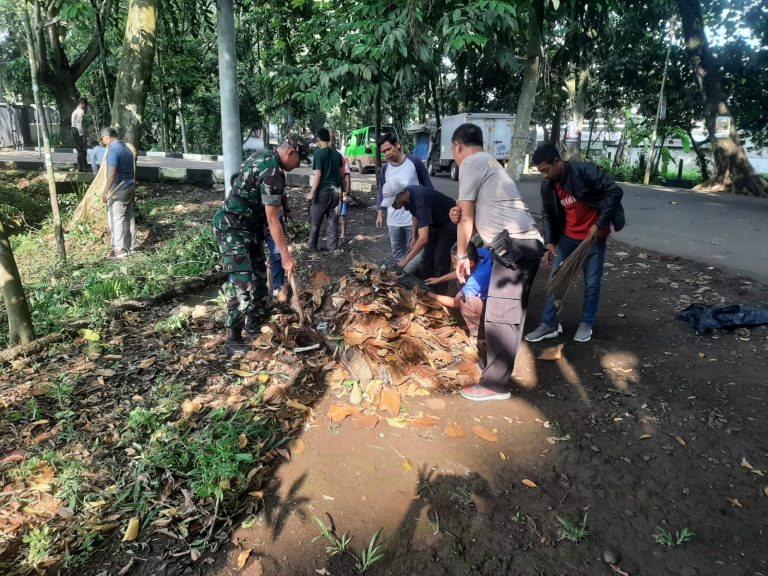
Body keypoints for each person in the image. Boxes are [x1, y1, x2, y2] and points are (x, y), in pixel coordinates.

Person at [450, 123, 544, 402]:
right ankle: (495, 372)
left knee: (500, 317)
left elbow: (467, 220)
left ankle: (494, 385)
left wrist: (462, 255)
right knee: (511, 315)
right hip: (526, 244)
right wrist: (464, 220)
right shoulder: (491, 164)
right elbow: (478, 221)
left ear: (457, 146)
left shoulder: (470, 163)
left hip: (514, 247)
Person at [212, 133, 309, 356]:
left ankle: (253, 325)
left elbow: (254, 187)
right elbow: (273, 219)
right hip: (232, 229)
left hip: (249, 229)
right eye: (300, 159)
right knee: (243, 282)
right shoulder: (273, 171)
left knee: (258, 278)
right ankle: (233, 338)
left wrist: (286, 207)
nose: (299, 164)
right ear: (290, 152)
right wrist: (285, 256)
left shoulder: (265, 156)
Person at [524, 144, 625, 344]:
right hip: (568, 238)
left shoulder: (584, 171)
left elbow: (615, 191)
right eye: (540, 171)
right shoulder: (548, 186)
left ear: (557, 162)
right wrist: (550, 242)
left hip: (593, 238)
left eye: (546, 169)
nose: (544, 174)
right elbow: (547, 213)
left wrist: (599, 224)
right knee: (556, 279)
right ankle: (548, 324)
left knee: (592, 283)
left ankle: (586, 324)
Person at [380, 183, 457, 287]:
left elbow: (424, 238)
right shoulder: (408, 195)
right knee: (426, 261)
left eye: (393, 202)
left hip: (449, 223)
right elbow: (416, 216)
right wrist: (414, 236)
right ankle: (424, 288)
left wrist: (404, 261)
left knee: (440, 261)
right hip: (434, 223)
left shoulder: (420, 199)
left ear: (401, 194)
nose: (392, 206)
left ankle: (438, 293)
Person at [421, 242, 492, 344]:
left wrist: (428, 294)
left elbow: (455, 302)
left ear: (470, 263)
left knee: (465, 301)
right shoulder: (480, 253)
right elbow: (462, 270)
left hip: (494, 305)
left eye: (456, 263)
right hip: (493, 290)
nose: (454, 267)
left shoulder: (476, 281)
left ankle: (480, 336)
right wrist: (439, 279)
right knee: (461, 280)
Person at [376, 132, 433, 261]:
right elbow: (382, 191)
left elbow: (428, 187)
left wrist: (429, 213)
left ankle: (414, 280)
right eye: (384, 152)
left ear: (397, 145)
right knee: (397, 255)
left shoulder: (414, 162)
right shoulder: (385, 169)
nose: (387, 154)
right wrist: (380, 213)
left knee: (415, 255)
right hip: (393, 220)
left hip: (413, 219)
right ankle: (400, 280)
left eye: (389, 149)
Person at [100, 127, 136, 258]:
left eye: (102, 139)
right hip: (130, 186)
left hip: (118, 189)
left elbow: (112, 172)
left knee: (117, 218)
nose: (103, 142)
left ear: (107, 137)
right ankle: (130, 246)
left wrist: (105, 191)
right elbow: (132, 170)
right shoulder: (127, 149)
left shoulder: (113, 150)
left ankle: (118, 250)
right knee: (129, 217)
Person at [306, 128, 344, 252]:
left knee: (315, 222)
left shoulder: (318, 154)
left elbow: (318, 174)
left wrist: (312, 192)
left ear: (318, 139)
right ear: (329, 138)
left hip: (322, 192)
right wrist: (341, 192)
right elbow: (340, 175)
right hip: (336, 192)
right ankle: (332, 249)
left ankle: (312, 248)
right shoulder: (338, 155)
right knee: (333, 222)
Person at [71, 98, 88, 172]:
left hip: (75, 131)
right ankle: (84, 167)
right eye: (85, 104)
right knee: (82, 151)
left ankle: (80, 168)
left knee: (80, 150)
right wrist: (82, 135)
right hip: (77, 131)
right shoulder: (80, 112)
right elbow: (79, 124)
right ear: (82, 103)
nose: (86, 106)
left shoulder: (77, 110)